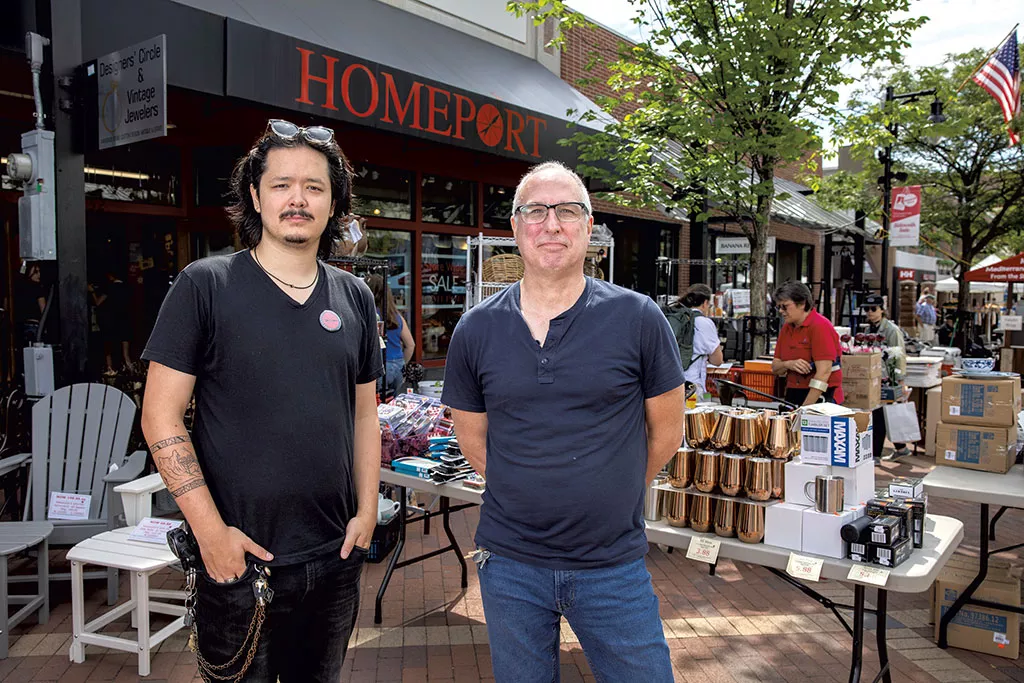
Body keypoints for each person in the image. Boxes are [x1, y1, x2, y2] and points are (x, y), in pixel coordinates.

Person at [140, 119, 383, 682]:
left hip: (334, 559)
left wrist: (367, 512)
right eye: (281, 184)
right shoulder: (206, 285)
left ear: (333, 202)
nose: (297, 199)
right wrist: (210, 535)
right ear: (256, 195)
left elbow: (365, 413)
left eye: (314, 187)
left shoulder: (353, 295)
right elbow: (160, 416)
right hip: (238, 562)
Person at [442, 161, 684, 683]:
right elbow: (472, 438)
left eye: (567, 211)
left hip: (612, 566)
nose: (551, 225)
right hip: (510, 566)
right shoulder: (476, 329)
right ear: (514, 227)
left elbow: (667, 433)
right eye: (535, 211)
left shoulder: (639, 319)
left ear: (589, 227)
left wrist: (613, 489)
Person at [771, 281, 844, 406]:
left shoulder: (820, 326)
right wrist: (789, 364)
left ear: (802, 304)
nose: (781, 311)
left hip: (822, 395)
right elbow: (775, 367)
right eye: (778, 307)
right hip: (794, 392)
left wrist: (805, 408)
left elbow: (824, 372)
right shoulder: (786, 329)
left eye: (785, 306)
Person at [863, 294, 910, 459]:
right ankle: (901, 448)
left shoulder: (891, 330)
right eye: (866, 309)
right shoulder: (868, 330)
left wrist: (900, 382)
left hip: (888, 379)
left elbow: (899, 356)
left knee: (880, 415)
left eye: (873, 309)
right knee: (886, 414)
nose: (869, 312)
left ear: (882, 310)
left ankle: (875, 454)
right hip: (875, 378)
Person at [365, 273, 414, 398]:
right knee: (393, 407)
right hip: (397, 364)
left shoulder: (368, 314)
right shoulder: (397, 316)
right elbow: (410, 345)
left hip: (379, 366)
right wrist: (402, 364)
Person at [680, 283, 724, 395]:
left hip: (671, 381)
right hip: (692, 384)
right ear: (705, 303)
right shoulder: (705, 323)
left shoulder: (677, 319)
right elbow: (717, 361)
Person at [90, 269, 133, 372]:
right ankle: (131, 370)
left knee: (108, 348)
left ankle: (110, 371)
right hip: (125, 320)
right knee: (125, 352)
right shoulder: (128, 287)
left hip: (111, 321)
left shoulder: (109, 288)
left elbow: (98, 302)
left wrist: (92, 291)